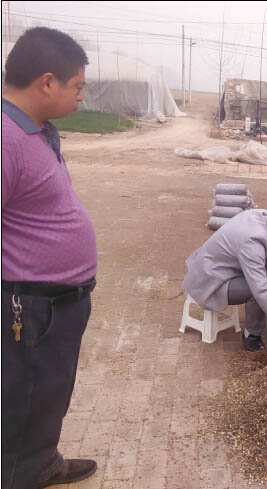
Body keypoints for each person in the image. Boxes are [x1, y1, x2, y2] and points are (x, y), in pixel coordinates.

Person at [2, 28, 98, 488]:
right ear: (46, 82)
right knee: (23, 398)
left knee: (49, 394)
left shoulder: (34, 131)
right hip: (30, 306)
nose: (82, 96)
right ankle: (16, 475)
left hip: (58, 304)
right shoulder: (4, 140)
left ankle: (40, 462)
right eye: (77, 87)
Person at [183, 208, 267, 354]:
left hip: (225, 267)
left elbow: (259, 253)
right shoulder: (252, 239)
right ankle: (252, 335)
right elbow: (261, 289)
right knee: (259, 290)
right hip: (211, 280)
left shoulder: (263, 217)